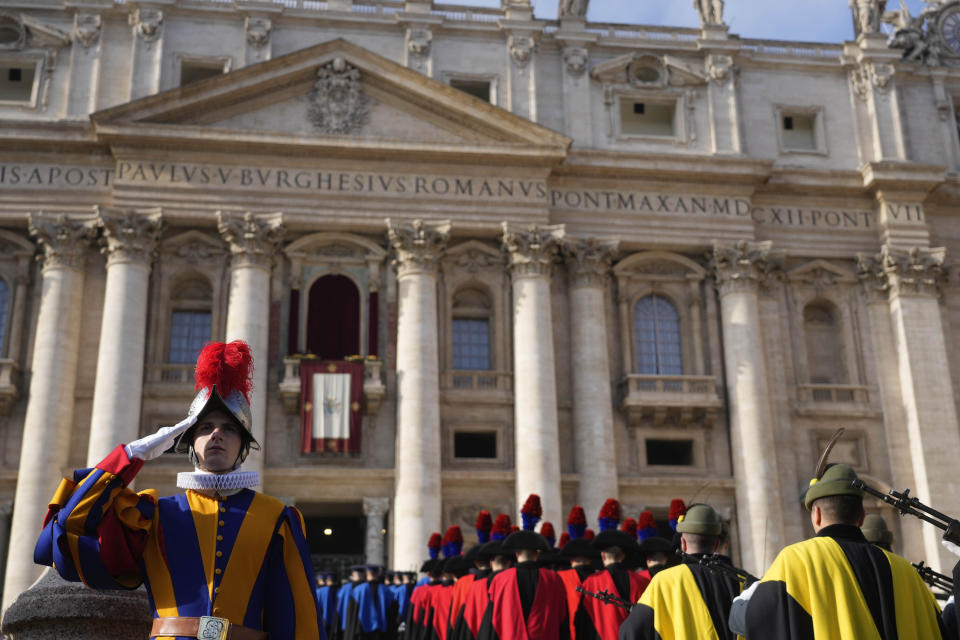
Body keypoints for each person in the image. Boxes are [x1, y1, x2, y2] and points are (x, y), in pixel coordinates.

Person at [33, 341, 324, 640]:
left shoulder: (278, 518)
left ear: (243, 448)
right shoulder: (152, 514)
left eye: (229, 429)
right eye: (205, 427)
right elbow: (68, 529)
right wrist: (129, 456)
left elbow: (297, 620)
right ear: (189, 443)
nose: (216, 435)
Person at [729, 463, 944, 638]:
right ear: (861, 517)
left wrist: (741, 602)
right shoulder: (905, 570)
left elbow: (754, 622)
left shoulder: (797, 560)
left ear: (817, 515)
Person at [618, 503, 742, 640]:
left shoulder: (664, 581)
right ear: (717, 545)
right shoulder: (742, 581)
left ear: (683, 543)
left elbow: (630, 633)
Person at [476, 529, 570, 640]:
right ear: (537, 554)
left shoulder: (501, 580)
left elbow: (491, 622)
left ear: (517, 553)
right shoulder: (553, 579)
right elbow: (563, 619)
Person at [578, 529, 649, 640]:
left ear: (603, 556)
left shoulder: (591, 582)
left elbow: (583, 622)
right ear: (622, 556)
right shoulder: (641, 581)